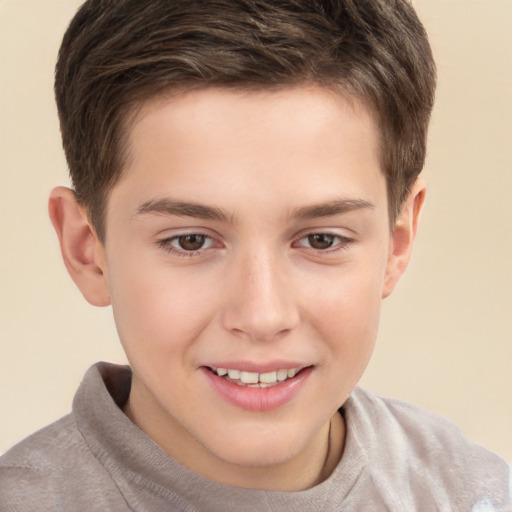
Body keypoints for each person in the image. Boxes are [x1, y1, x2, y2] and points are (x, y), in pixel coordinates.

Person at [0, 0, 510, 510]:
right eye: (191, 241)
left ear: (398, 242)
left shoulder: (477, 495)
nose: (262, 316)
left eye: (321, 240)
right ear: (87, 250)